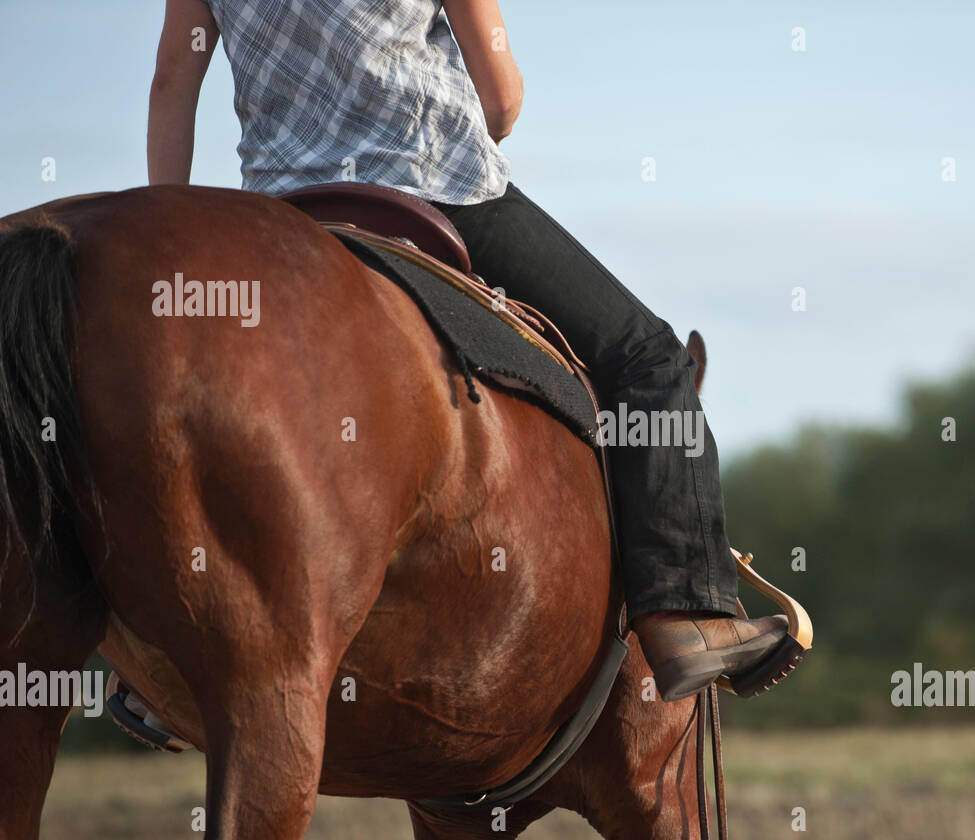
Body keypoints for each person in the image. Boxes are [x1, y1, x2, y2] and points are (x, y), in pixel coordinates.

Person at [146, 0, 801, 702]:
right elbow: (502, 98)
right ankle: (686, 617)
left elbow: (171, 84)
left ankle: (150, 660)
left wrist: (176, 230)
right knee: (649, 358)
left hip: (283, 213)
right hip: (433, 185)